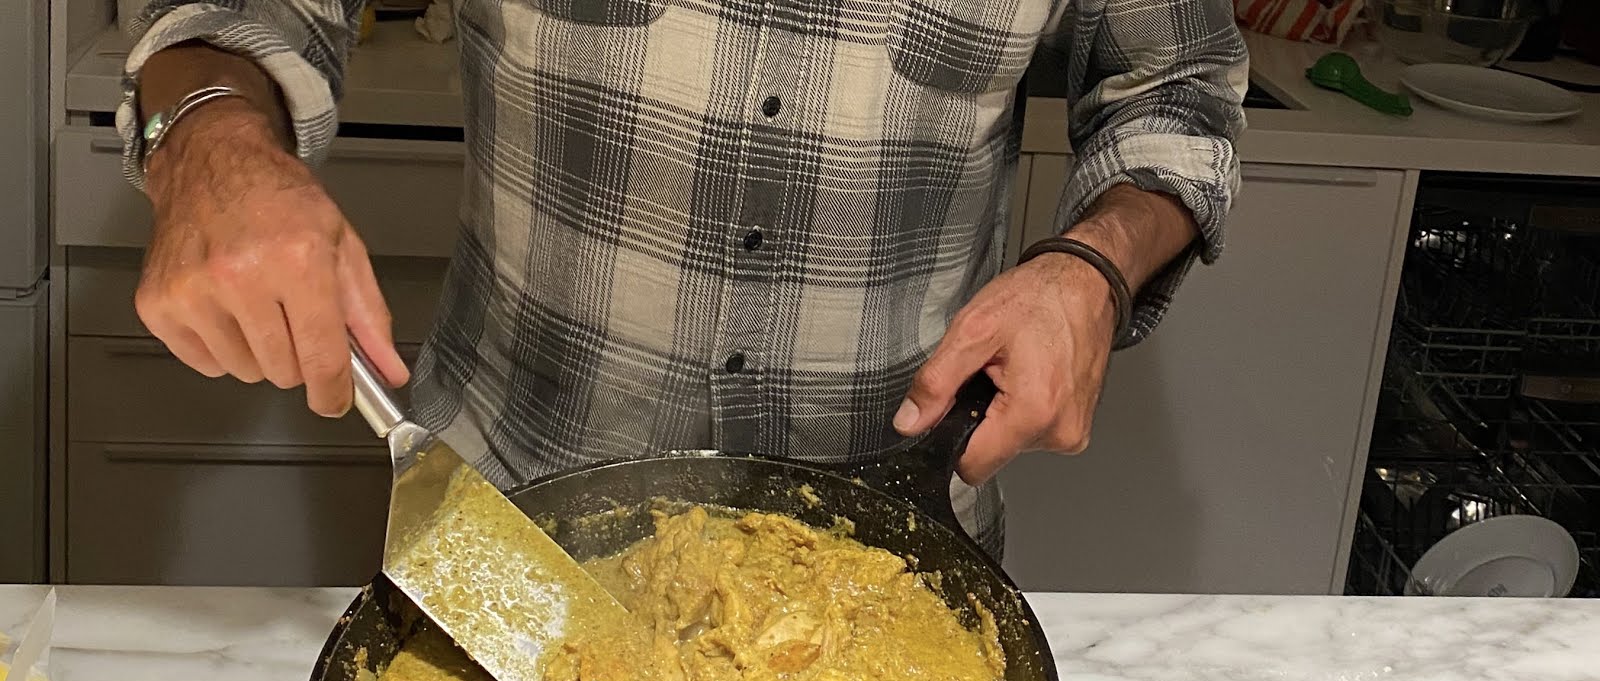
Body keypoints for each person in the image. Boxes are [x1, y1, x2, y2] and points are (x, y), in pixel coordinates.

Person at [120, 0, 1245, 554]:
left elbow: (1176, 82)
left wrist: (1095, 265)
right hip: (510, 516)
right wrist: (211, 134)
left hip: (896, 539)